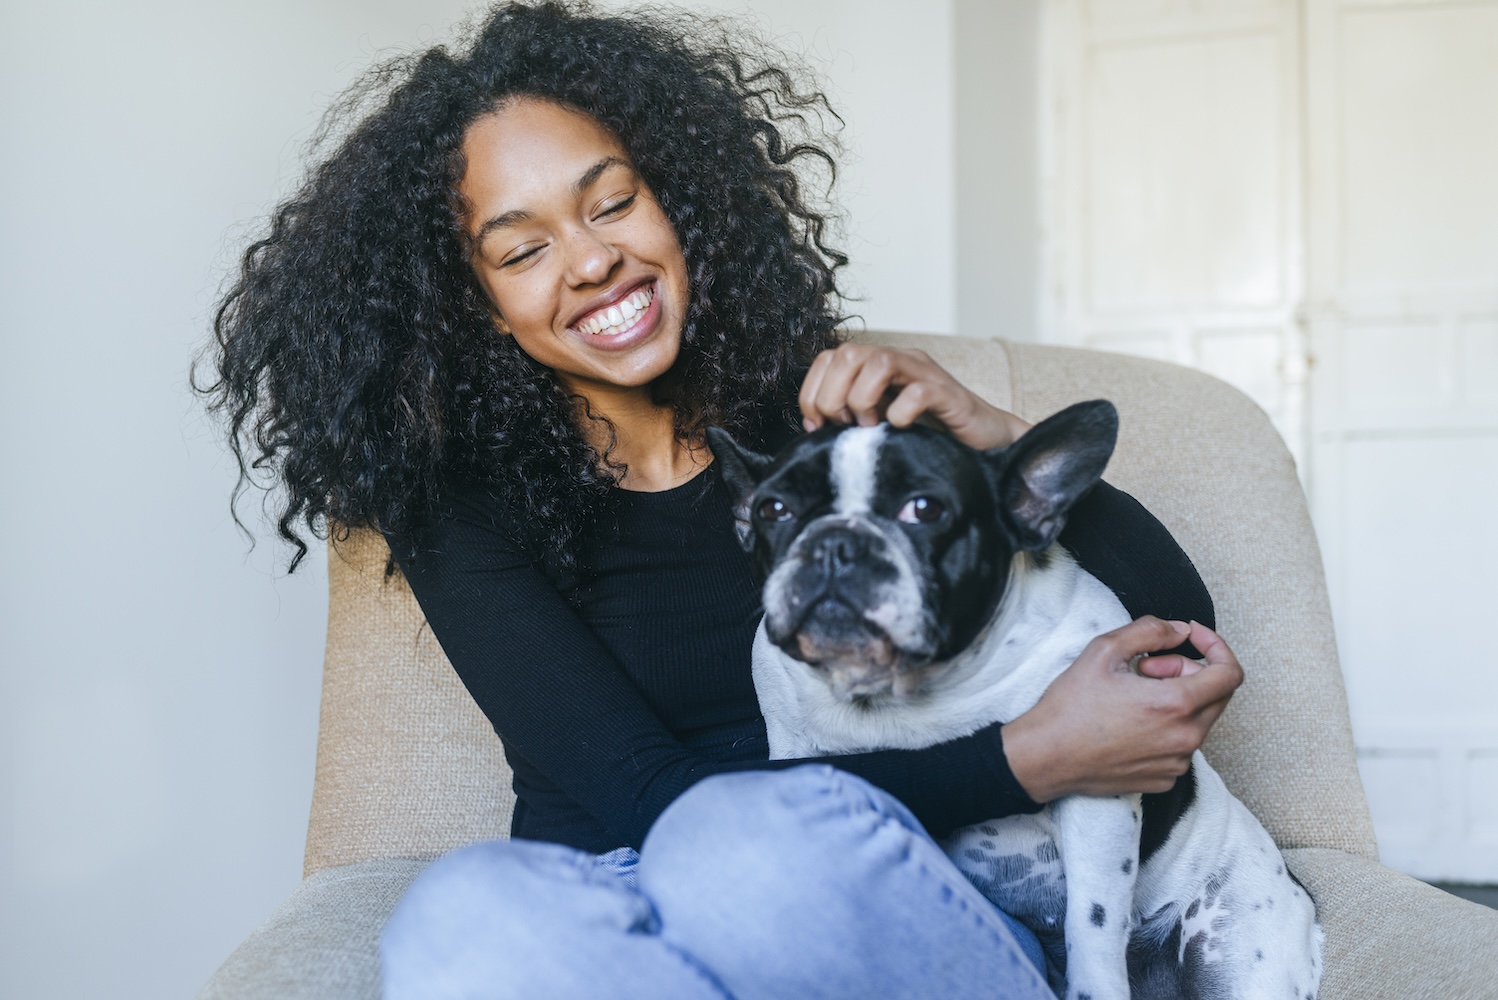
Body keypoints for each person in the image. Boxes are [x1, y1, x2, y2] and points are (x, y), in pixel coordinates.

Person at [200, 3, 1243, 998]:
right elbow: (649, 801)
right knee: (460, 909)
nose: (594, 257)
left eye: (613, 202)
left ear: (682, 201)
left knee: (741, 854)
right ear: (473, 308)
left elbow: (1176, 613)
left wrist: (981, 428)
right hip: (619, 890)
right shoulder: (453, 502)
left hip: (860, 894)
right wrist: (1031, 756)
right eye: (523, 250)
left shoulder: (829, 424)